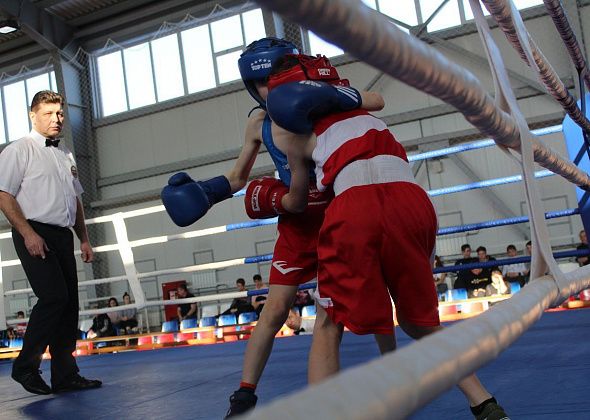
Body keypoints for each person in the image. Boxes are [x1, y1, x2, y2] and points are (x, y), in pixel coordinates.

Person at [264, 53, 509, 420]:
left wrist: (268, 195)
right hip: (413, 202)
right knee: (419, 322)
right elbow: (376, 98)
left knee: (330, 322)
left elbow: (297, 202)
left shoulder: (296, 136)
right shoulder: (364, 109)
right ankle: (485, 403)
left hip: (356, 206)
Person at [160, 38, 394, 417]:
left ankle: (392, 376)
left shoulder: (321, 101)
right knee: (274, 310)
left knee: (360, 302)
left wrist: (330, 94)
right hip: (296, 224)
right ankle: (243, 397)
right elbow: (239, 176)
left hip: (339, 213)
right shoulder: (258, 122)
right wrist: (207, 193)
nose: (270, 88)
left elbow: (377, 99)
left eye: (275, 77)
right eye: (261, 82)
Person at [0, 90, 101, 395]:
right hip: (33, 230)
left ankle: (65, 374)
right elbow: (4, 194)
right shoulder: (18, 150)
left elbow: (76, 199)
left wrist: (83, 237)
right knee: (54, 296)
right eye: (48, 113)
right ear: (34, 115)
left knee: (69, 304)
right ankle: (25, 367)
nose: (56, 119)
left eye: (59, 113)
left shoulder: (65, 154)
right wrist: (29, 233)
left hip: (62, 234)